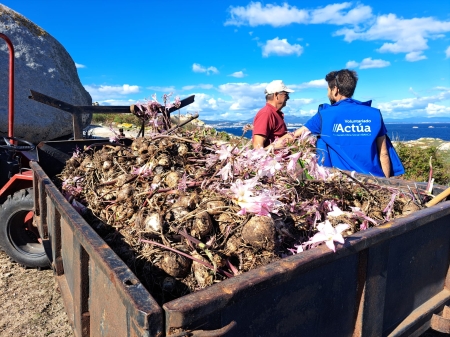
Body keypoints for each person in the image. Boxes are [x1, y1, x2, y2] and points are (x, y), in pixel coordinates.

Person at [274, 69, 404, 178]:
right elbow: (384, 153)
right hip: (374, 180)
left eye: (328, 89)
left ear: (335, 89)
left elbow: (293, 136)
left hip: (342, 181)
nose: (327, 93)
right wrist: (385, 185)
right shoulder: (374, 114)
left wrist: (266, 151)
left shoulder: (324, 115)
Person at [252, 80, 294, 149]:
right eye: (286, 95)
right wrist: (273, 147)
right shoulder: (266, 113)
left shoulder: (273, 113)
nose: (288, 98)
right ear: (276, 95)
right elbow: (257, 147)